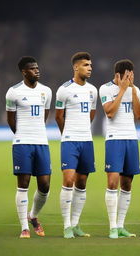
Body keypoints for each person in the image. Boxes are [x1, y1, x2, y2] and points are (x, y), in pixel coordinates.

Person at [6, 56, 52, 238]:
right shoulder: (13, 92)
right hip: (22, 143)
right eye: (33, 69)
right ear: (24, 72)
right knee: (23, 183)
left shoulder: (46, 91)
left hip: (42, 143)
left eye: (38, 68)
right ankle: (24, 227)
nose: (37, 71)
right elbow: (11, 119)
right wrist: (22, 135)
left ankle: (33, 216)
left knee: (45, 185)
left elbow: (45, 115)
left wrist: (36, 132)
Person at [99, 59, 140, 239]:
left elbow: (139, 115)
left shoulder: (135, 90)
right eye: (127, 76)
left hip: (131, 139)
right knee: (112, 182)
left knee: (127, 184)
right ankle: (112, 227)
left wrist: (131, 90)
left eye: (132, 76)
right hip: (114, 139)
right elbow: (110, 112)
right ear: (117, 75)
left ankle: (121, 225)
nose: (130, 79)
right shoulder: (105, 89)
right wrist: (123, 89)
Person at [55, 52, 97, 239]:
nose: (90, 68)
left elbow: (92, 113)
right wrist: (68, 133)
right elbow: (58, 116)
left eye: (90, 65)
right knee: (69, 180)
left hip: (86, 140)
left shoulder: (92, 90)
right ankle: (66, 226)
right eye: (86, 65)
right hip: (70, 140)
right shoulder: (63, 90)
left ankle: (75, 224)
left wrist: (83, 130)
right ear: (75, 67)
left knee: (81, 182)